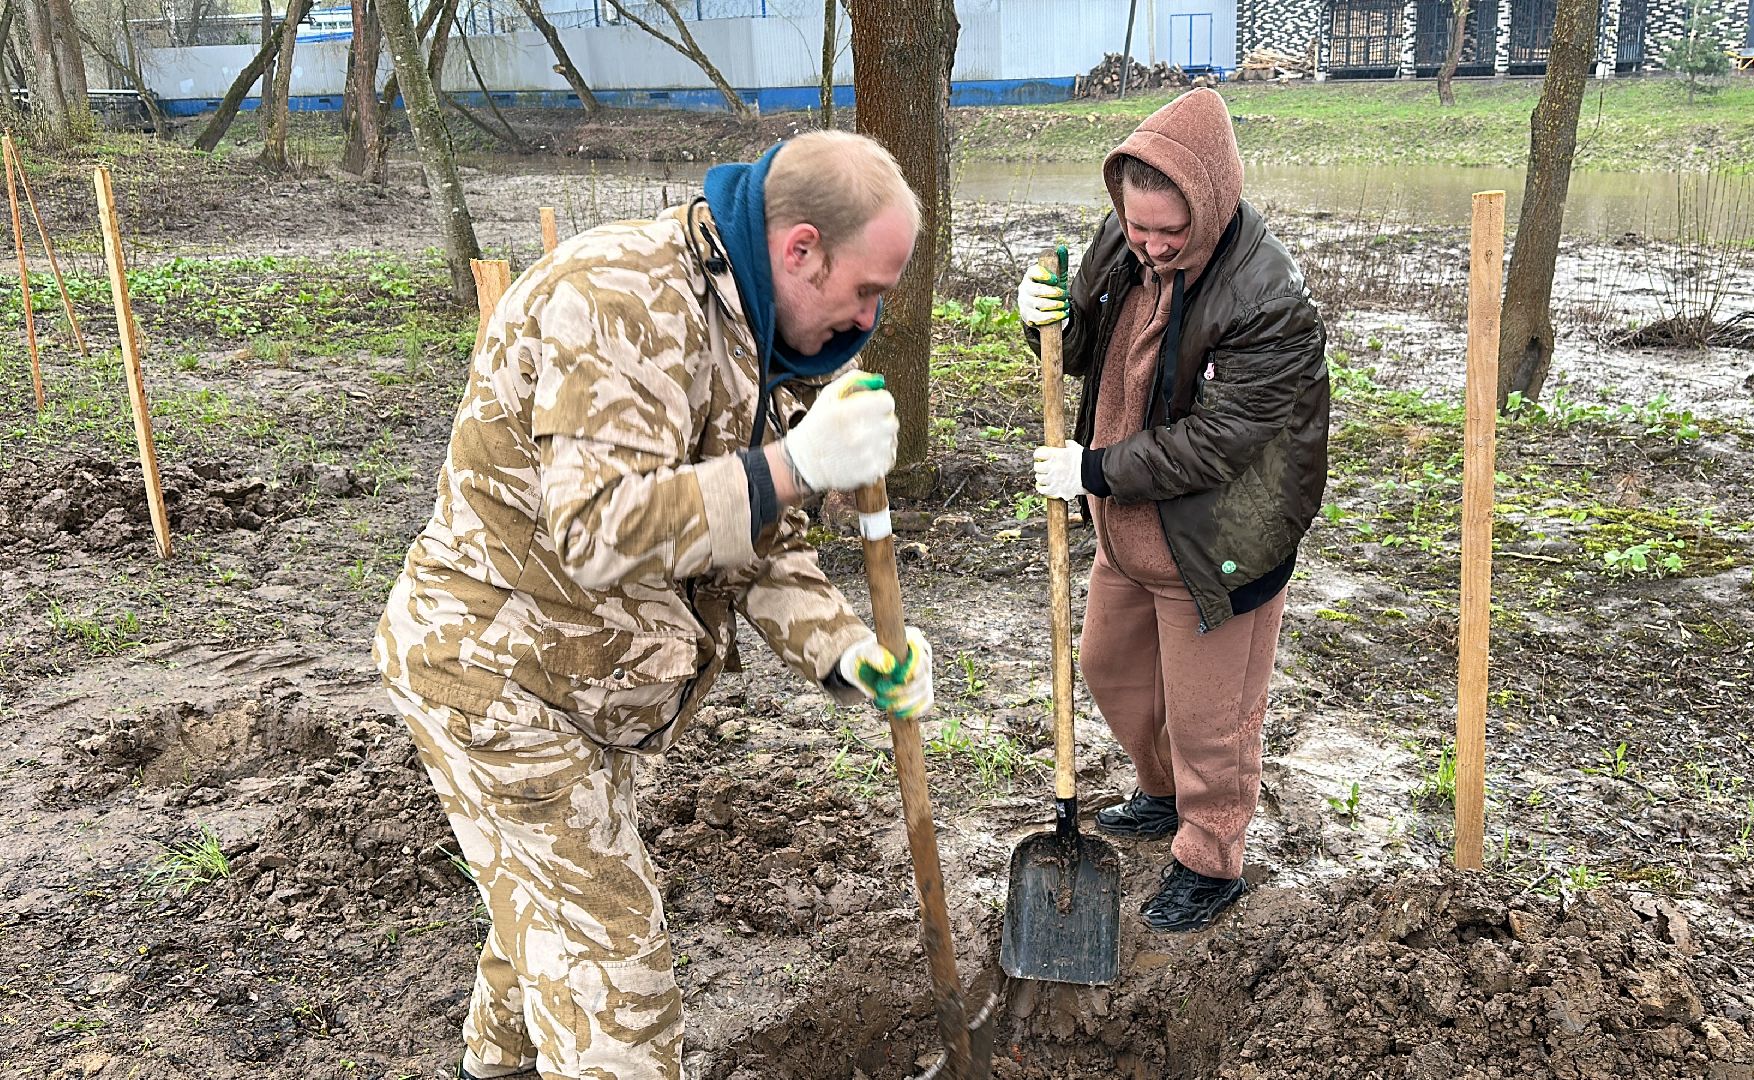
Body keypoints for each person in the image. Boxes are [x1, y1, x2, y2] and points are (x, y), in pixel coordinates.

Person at [374, 130, 935, 1080]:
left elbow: (754, 540)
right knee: (617, 988)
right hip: (496, 676)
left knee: (541, 915)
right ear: (800, 249)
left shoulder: (753, 331)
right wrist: (792, 468)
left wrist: (845, 650)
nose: (868, 318)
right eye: (865, 292)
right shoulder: (622, 299)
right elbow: (597, 533)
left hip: (585, 686)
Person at [1016, 89, 1330, 933]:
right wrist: (1045, 315)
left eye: (1169, 233)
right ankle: (1160, 796)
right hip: (1128, 532)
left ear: (1213, 198)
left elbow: (1217, 443)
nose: (1150, 246)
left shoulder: (1268, 296)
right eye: (1137, 225)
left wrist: (1094, 466)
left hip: (1218, 544)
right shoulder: (1124, 235)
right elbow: (1078, 346)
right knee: (1111, 675)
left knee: (1210, 722)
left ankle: (1210, 858)